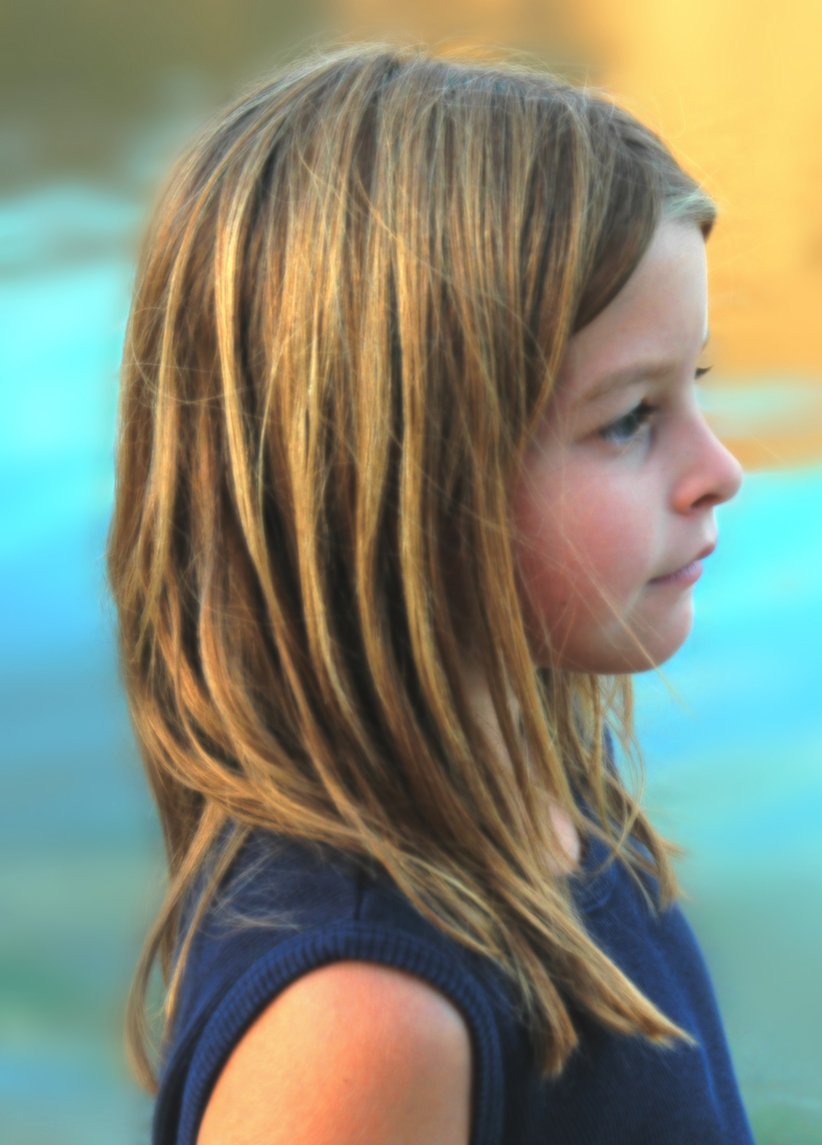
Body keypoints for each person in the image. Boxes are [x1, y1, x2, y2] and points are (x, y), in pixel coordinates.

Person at [106, 41, 750, 1145]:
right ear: (395, 474)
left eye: (695, 383)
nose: (720, 468)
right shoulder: (362, 1019)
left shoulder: (539, 796)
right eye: (631, 418)